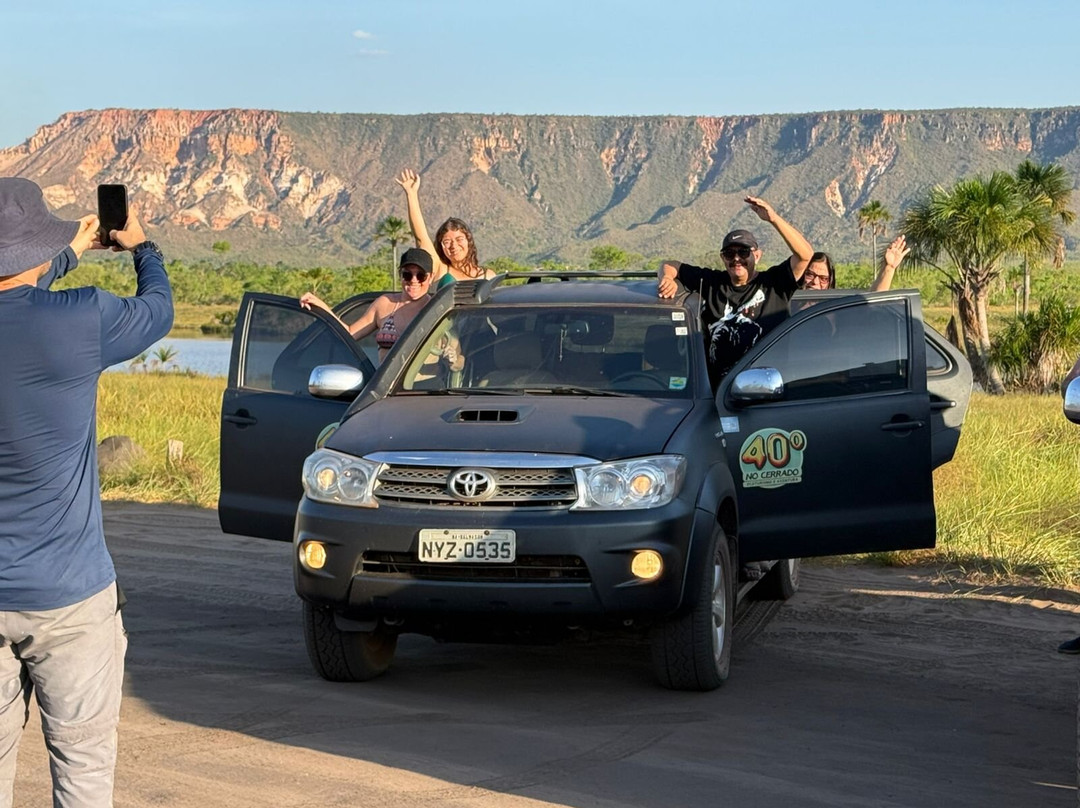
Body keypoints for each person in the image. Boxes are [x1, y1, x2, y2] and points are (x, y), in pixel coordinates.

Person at [0, 178, 173, 807]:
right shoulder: (82, 318)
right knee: (82, 773)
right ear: (36, 249)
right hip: (70, 597)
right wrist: (142, 246)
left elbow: (16, 291)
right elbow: (158, 309)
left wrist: (67, 250)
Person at [657, 196, 814, 384]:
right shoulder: (712, 282)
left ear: (757, 256)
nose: (736, 259)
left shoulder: (774, 284)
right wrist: (667, 278)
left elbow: (806, 255)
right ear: (723, 258)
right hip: (718, 392)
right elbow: (670, 264)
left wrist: (773, 219)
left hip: (767, 389)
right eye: (730, 254)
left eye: (744, 252)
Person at [301, 247, 462, 369]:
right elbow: (349, 333)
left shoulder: (437, 307)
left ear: (431, 277)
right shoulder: (384, 304)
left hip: (425, 390)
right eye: (407, 274)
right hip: (385, 392)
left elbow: (460, 360)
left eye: (421, 275)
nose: (414, 280)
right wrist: (321, 307)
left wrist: (453, 360)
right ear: (400, 275)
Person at [394, 169, 495, 288]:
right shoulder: (440, 270)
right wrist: (411, 194)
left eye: (459, 239)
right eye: (447, 242)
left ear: (469, 241)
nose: (454, 246)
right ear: (441, 247)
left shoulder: (488, 276)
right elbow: (421, 238)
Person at [798, 235, 910, 292]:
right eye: (810, 274)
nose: (815, 282)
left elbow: (872, 304)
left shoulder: (835, 309)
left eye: (823, 278)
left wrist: (889, 268)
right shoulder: (790, 305)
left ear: (830, 282)